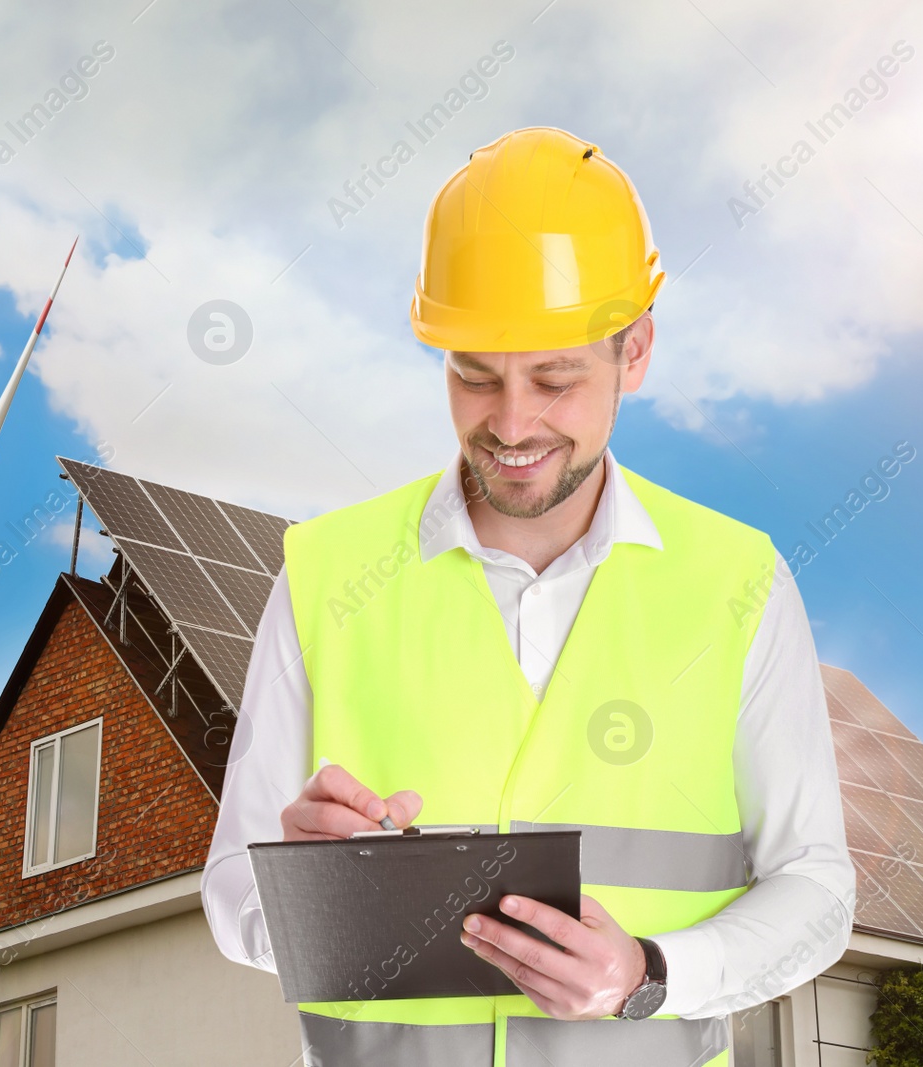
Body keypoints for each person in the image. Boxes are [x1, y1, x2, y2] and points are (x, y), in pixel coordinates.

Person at [201, 125, 854, 1066]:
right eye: (474, 375)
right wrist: (311, 892)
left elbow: (817, 889)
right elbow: (232, 897)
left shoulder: (737, 584)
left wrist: (651, 973)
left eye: (555, 379)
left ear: (635, 353)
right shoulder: (326, 573)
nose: (511, 423)